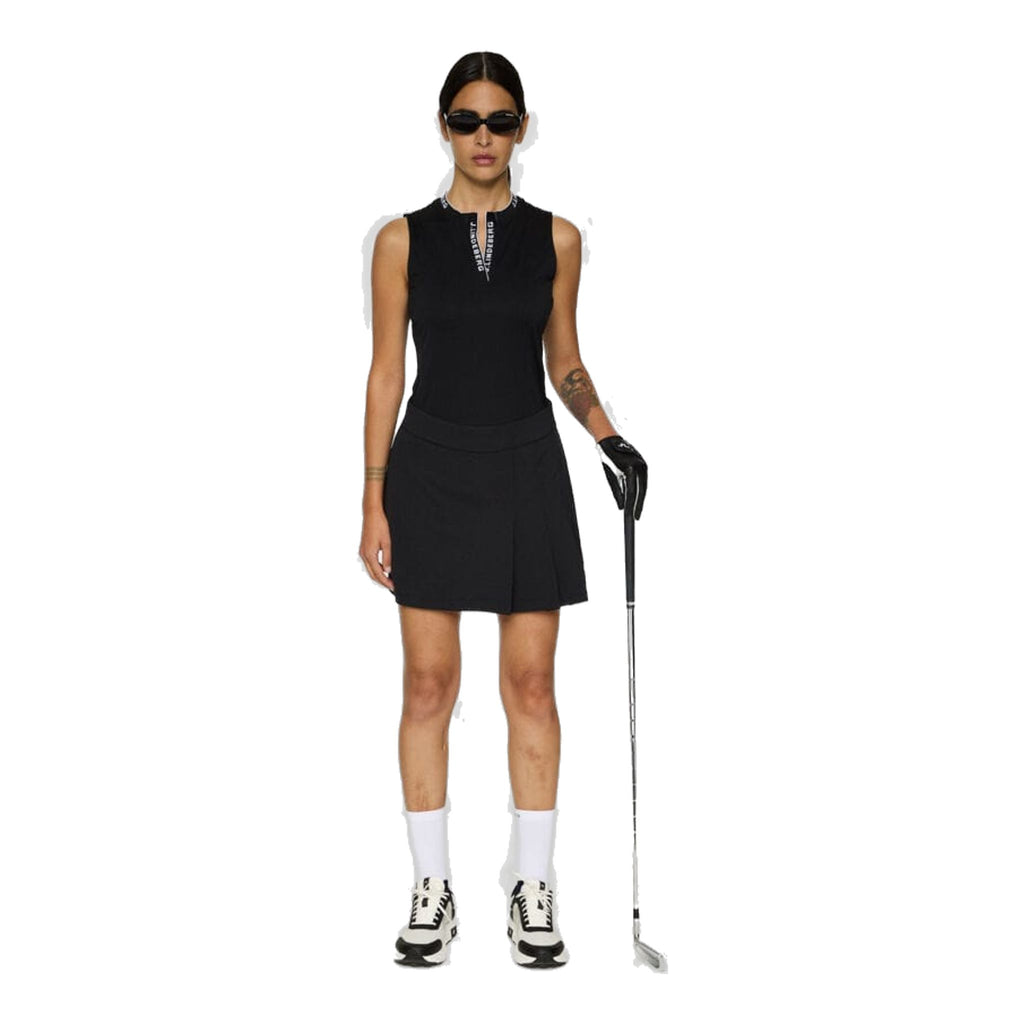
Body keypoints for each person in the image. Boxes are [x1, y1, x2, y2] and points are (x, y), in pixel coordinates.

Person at [359, 51, 648, 969]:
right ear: (443, 126)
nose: (483, 137)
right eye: (466, 120)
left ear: (522, 128)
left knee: (530, 686)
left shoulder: (557, 238)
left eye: (500, 121)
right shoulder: (400, 241)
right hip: (431, 469)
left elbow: (566, 359)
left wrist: (610, 437)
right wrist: (372, 495)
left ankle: (532, 883)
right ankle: (431, 888)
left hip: (527, 465)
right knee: (428, 686)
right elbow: (386, 372)